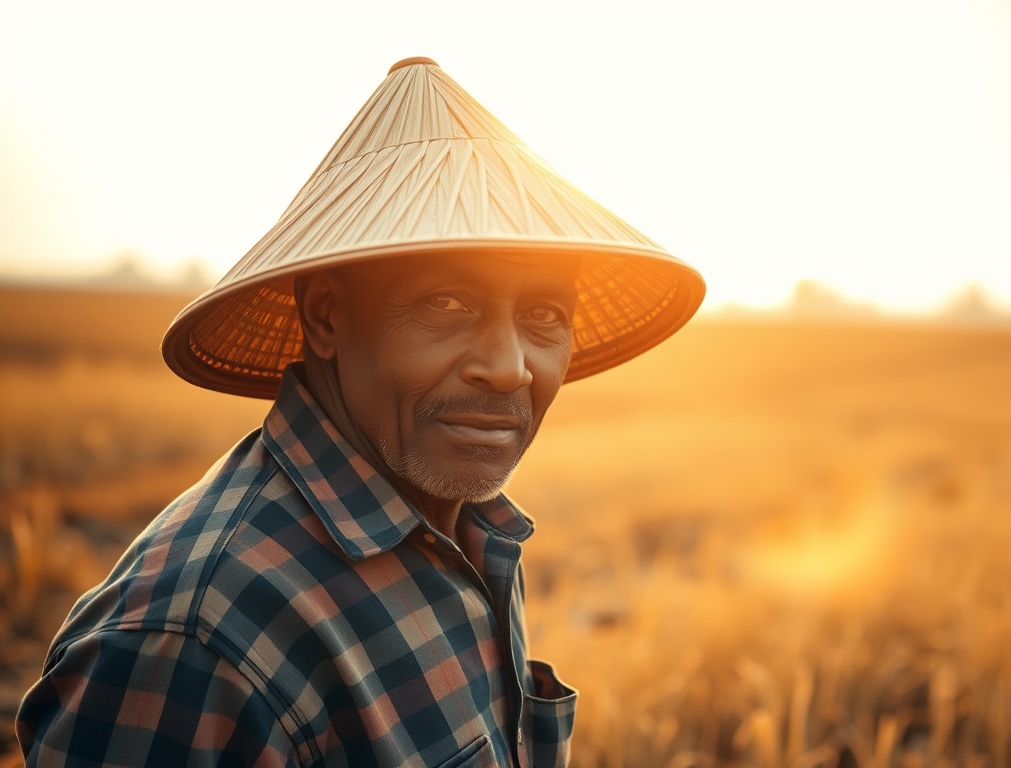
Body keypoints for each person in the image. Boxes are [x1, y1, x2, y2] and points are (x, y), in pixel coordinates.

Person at [16, 57, 704, 768]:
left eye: (544, 314)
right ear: (326, 316)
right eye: (447, 303)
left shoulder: (470, 527)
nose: (510, 366)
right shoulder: (198, 643)